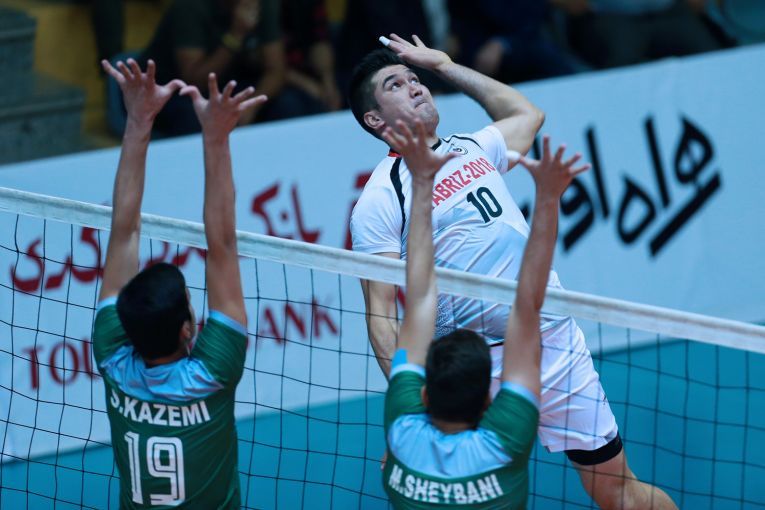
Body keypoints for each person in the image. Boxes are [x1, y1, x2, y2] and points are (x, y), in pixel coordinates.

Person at [348, 36, 677, 509]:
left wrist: (445, 64)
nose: (415, 87)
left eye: (415, 78)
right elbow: (380, 314)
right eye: (395, 85)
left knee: (615, 488)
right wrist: (413, 403)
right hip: (472, 371)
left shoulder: (472, 146)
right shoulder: (379, 199)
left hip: (552, 341)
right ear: (375, 121)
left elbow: (528, 115)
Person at [382, 122, 588, 508]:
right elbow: (527, 307)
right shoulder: (504, 440)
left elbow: (421, 295)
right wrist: (548, 198)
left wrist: (421, 184)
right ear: (487, 405)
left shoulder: (402, 431)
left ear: (424, 394)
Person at [94, 57, 265, 507]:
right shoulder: (211, 373)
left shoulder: (113, 357)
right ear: (188, 329)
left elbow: (124, 230)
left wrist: (137, 120)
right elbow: (222, 244)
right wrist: (216, 137)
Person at [140, 0, 285, 135]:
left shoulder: (262, 4)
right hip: (172, 90)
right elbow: (195, 81)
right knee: (197, 119)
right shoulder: (190, 7)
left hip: (230, 84)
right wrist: (236, 35)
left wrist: (250, 107)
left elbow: (276, 71)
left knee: (286, 104)